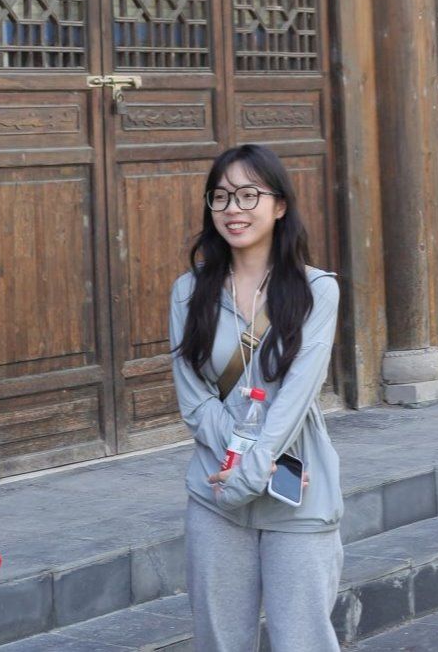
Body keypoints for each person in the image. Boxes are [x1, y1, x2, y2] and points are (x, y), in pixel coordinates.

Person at [169, 144, 342, 652]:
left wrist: (257, 470)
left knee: (303, 641)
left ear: (280, 205)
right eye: (221, 197)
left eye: (249, 195)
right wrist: (251, 468)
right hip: (216, 495)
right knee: (219, 643)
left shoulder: (316, 290)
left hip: (296, 491)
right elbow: (195, 402)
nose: (233, 209)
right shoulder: (188, 292)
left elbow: (297, 396)